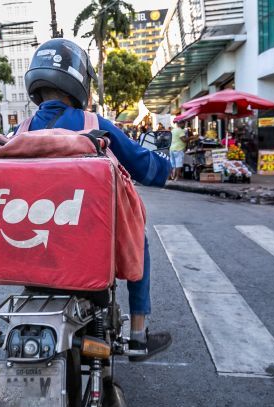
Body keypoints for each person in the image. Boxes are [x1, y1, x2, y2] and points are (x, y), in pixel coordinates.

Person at [23, 38, 172, 357]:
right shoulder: (94, 125)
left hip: (31, 246)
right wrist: (164, 162)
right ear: (78, 80)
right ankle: (137, 335)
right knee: (137, 236)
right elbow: (147, 169)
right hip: (86, 245)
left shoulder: (18, 134)